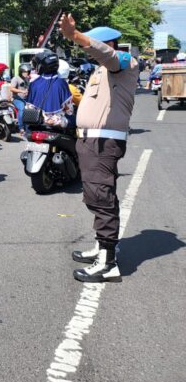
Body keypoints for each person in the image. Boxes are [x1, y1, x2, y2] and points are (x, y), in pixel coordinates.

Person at [59, 16, 138, 283]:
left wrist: (76, 35)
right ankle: (103, 248)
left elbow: (108, 55)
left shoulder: (123, 62)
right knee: (96, 196)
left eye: (92, 44)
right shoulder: (100, 71)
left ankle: (108, 264)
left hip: (103, 143)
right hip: (90, 141)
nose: (87, 49)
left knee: (101, 197)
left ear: (107, 44)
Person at [26, 51, 73, 128]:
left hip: (37, 121)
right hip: (58, 122)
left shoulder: (33, 83)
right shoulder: (62, 83)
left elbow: (29, 107)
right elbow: (69, 110)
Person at [9, 63, 31, 134]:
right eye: (24, 72)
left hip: (26, 99)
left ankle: (29, 127)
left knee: (32, 108)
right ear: (20, 71)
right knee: (22, 109)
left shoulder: (27, 79)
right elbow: (11, 88)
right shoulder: (16, 79)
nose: (26, 73)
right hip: (16, 99)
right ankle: (21, 128)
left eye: (27, 72)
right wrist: (21, 91)